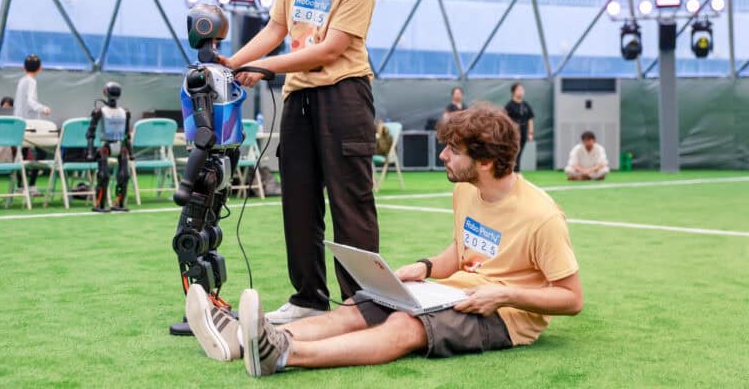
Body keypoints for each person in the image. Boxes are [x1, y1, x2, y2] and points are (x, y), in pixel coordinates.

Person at [183, 103, 583, 376]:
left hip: (505, 317)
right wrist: (422, 269)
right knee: (362, 304)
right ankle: (238, 338)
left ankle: (284, 354)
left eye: (453, 150)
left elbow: (571, 298)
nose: (443, 156)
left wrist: (504, 295)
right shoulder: (466, 189)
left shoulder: (540, 216)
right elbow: (464, 252)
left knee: (407, 326)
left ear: (486, 160)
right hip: (453, 291)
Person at [215, 0, 379, 324]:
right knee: (300, 201)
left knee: (351, 204)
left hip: (345, 95)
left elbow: (329, 50)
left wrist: (267, 68)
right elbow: (275, 30)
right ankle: (308, 298)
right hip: (300, 98)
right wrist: (232, 62)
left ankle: (362, 303)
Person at [14, 55, 51, 195]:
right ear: (40, 68)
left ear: (24, 67)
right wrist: (43, 109)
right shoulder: (31, 81)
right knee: (41, 151)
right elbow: (30, 101)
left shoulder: (22, 81)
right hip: (30, 124)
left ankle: (20, 185)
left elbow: (19, 103)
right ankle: (31, 185)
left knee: (21, 153)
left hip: (20, 122)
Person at [504, 83, 534, 172]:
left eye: (522, 89)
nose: (521, 91)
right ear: (513, 92)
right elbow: (505, 120)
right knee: (512, 153)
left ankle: (517, 172)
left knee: (519, 153)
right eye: (519, 89)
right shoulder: (509, 105)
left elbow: (530, 119)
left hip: (523, 133)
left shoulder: (526, 105)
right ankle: (512, 171)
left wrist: (530, 133)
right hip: (512, 135)